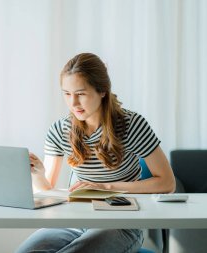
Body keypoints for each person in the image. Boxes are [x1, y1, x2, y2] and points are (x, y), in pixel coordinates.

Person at [16, 53, 175, 253]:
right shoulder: (60, 130)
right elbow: (49, 193)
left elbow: (167, 183)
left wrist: (105, 187)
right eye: (67, 93)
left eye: (80, 94)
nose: (73, 103)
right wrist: (38, 174)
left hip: (122, 225)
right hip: (76, 220)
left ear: (102, 91)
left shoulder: (132, 125)